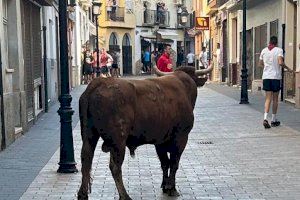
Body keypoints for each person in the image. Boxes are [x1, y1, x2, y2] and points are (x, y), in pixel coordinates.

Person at [259, 36, 293, 129]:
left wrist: (266, 68)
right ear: (276, 42)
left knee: (267, 98)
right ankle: (273, 120)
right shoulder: (279, 50)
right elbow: (280, 62)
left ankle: (265, 118)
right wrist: (288, 69)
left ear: (269, 42)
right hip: (275, 77)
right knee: (275, 99)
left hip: (266, 77)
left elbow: (260, 64)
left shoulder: (264, 50)